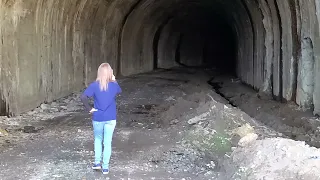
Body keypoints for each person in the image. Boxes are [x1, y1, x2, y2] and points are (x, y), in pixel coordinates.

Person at [80, 63, 122, 175]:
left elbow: (83, 97)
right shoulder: (114, 86)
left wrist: (89, 109)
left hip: (98, 117)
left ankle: (97, 163)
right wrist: (114, 80)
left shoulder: (94, 85)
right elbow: (119, 91)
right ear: (110, 73)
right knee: (107, 142)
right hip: (111, 118)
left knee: (98, 139)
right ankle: (105, 168)